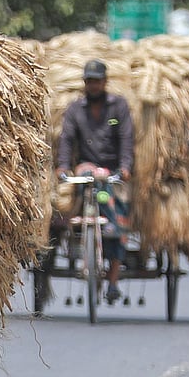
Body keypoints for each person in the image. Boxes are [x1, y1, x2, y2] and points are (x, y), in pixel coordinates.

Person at [55, 59, 135, 304]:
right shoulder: (75, 109)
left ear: (105, 82)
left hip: (112, 171)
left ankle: (112, 280)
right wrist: (63, 166)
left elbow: (126, 138)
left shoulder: (118, 107)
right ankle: (71, 237)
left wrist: (125, 167)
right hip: (87, 168)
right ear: (85, 83)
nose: (93, 85)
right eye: (89, 81)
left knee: (118, 219)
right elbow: (67, 139)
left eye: (97, 81)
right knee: (62, 207)